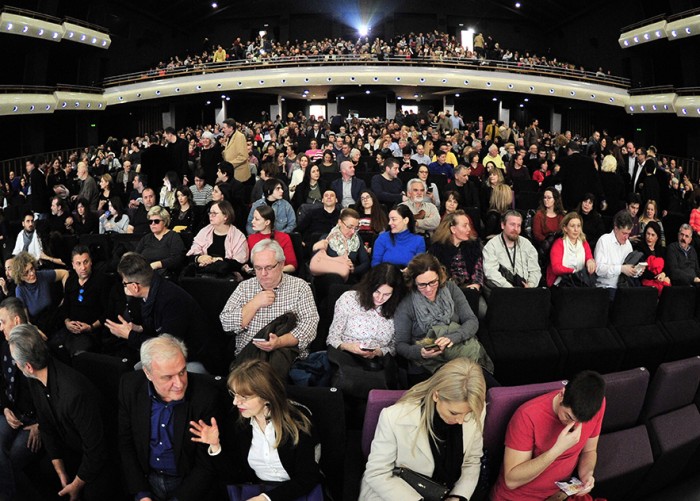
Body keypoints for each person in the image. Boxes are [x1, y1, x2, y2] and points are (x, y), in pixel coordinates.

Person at [189, 359, 322, 500]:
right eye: (234, 394)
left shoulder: (297, 421)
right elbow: (235, 475)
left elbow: (308, 477)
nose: (235, 402)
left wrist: (266, 498)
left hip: (295, 493)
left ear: (266, 395)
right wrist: (215, 446)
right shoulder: (240, 423)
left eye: (244, 397)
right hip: (257, 490)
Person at [9, 324, 113, 500]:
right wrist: (61, 472)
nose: (15, 364)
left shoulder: (73, 393)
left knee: (93, 493)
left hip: (100, 455)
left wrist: (76, 484)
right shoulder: (36, 380)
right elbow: (46, 424)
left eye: (15, 361)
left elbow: (96, 450)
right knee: (46, 472)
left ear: (27, 366)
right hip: (72, 443)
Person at [360, 358, 486, 501]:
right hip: (396, 494)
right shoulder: (394, 417)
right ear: (436, 395)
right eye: (454, 413)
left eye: (467, 414)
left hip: (445, 493)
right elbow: (377, 473)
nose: (461, 420)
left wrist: (458, 496)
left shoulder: (476, 410)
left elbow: (472, 460)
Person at [119, 334, 220, 501]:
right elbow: (126, 442)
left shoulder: (205, 397)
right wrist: (141, 494)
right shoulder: (129, 387)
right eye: (168, 377)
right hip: (146, 480)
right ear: (148, 373)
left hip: (187, 485)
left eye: (182, 372)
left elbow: (205, 464)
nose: (179, 384)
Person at [491, 371, 606, 501]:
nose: (574, 426)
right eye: (568, 417)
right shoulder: (527, 415)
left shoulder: (598, 405)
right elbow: (511, 481)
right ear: (562, 394)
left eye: (581, 422)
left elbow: (589, 450)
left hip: (559, 493)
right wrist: (556, 450)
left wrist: (587, 475)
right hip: (520, 496)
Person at [219, 239, 319, 376]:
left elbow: (310, 325)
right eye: (258, 268)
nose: (263, 274)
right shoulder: (244, 287)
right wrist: (254, 303)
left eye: (269, 267)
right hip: (248, 358)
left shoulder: (300, 287)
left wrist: (279, 342)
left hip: (287, 357)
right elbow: (226, 323)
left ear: (282, 264)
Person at [105, 253, 215, 372]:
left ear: (135, 287)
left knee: (139, 373)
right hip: (172, 351)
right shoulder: (153, 289)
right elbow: (158, 328)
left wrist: (129, 335)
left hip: (191, 358)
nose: (124, 286)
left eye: (124, 282)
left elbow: (166, 346)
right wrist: (139, 329)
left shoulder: (171, 300)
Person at [394, 253, 493, 383]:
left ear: (439, 277)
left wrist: (453, 337)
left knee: (487, 388)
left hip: (460, 352)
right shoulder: (407, 303)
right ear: (413, 282)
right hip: (428, 365)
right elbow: (401, 344)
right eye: (422, 284)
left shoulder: (451, 288)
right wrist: (421, 352)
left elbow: (471, 321)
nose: (428, 289)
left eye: (433, 282)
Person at [326, 264, 405, 398]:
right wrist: (349, 347)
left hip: (377, 365)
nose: (380, 298)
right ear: (369, 287)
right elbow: (332, 338)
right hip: (346, 359)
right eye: (377, 292)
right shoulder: (349, 299)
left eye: (387, 294)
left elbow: (393, 346)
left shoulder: (397, 307)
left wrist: (378, 352)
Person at [0, 298, 41, 501]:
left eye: (2, 322)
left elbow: (51, 393)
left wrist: (41, 425)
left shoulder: (38, 347)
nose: (0, 328)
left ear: (16, 320)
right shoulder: (3, 346)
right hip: (12, 413)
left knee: (11, 462)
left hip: (34, 422)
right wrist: (6, 408)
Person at [50, 246, 109, 357]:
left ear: (91, 262)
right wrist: (67, 322)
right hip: (70, 328)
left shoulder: (102, 280)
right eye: (78, 263)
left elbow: (108, 312)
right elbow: (65, 306)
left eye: (85, 262)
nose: (83, 267)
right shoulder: (70, 281)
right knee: (52, 348)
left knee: (78, 354)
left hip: (91, 330)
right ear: (73, 265)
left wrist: (91, 327)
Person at [482, 210, 542, 294]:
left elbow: (535, 270)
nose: (516, 229)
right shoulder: (491, 245)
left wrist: (530, 285)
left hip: (525, 290)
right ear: (503, 225)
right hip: (502, 291)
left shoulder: (526, 244)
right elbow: (491, 272)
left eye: (519, 225)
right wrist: (510, 288)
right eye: (512, 225)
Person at [11, 252, 69, 332]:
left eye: (32, 268)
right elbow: (26, 321)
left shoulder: (41, 275)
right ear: (20, 276)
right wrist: (35, 330)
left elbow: (65, 273)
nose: (32, 273)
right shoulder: (20, 290)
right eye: (26, 273)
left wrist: (66, 296)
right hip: (39, 327)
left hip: (55, 320)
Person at [430, 210, 484, 293]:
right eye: (465, 226)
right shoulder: (437, 249)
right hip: (447, 289)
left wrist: (476, 285)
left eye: (468, 225)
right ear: (453, 229)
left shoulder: (474, 246)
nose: (469, 229)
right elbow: (437, 274)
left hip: (470, 287)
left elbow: (478, 268)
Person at [594, 210, 638, 298]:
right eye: (624, 233)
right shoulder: (604, 240)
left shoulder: (628, 244)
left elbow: (628, 268)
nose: (626, 237)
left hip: (623, 287)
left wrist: (636, 271)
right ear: (616, 228)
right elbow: (599, 269)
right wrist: (621, 269)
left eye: (628, 234)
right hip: (605, 288)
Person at [546, 212, 597, 287]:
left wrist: (590, 261)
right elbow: (556, 268)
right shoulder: (558, 244)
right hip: (562, 282)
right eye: (572, 226)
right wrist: (574, 272)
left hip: (580, 281)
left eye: (578, 226)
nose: (576, 229)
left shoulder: (584, 242)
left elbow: (589, 258)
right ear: (565, 228)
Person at [135, 205, 186, 275]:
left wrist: (157, 264)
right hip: (144, 273)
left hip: (164, 274)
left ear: (164, 222)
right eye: (150, 222)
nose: (153, 224)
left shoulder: (173, 236)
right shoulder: (146, 238)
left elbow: (177, 259)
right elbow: (135, 256)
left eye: (156, 221)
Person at [246, 205, 297, 273]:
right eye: (253, 218)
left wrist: (272, 271)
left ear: (267, 222)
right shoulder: (251, 238)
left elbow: (292, 266)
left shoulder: (284, 237)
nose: (252, 221)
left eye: (257, 219)